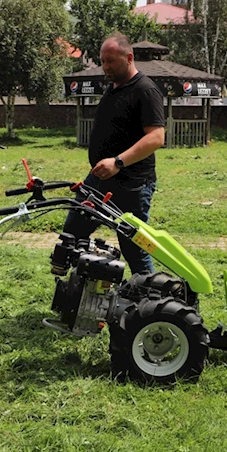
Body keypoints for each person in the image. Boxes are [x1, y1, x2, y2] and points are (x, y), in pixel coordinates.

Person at [63, 32, 165, 275]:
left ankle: (149, 299)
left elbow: (156, 137)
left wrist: (118, 162)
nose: (105, 67)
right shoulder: (114, 88)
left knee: (134, 250)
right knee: (73, 232)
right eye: (103, 61)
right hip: (99, 180)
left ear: (128, 58)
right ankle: (79, 294)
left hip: (131, 184)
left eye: (111, 61)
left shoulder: (145, 90)